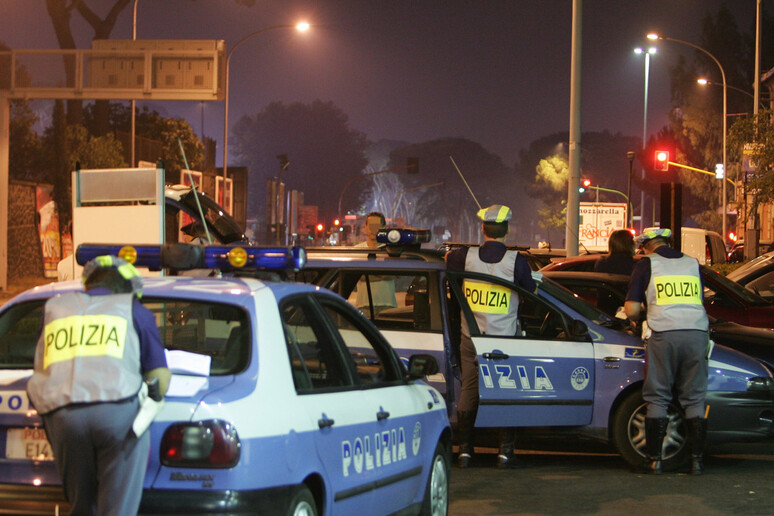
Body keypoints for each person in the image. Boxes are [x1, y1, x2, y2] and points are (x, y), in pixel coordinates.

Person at [27, 255, 171, 515]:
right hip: (117, 415)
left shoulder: (55, 309)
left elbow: (43, 362)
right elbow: (159, 378)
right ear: (128, 289)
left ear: (87, 285)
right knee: (117, 506)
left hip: (63, 415)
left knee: (81, 504)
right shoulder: (134, 310)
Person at [445, 204, 537, 469]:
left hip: (470, 337)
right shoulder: (516, 261)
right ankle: (504, 453)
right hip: (505, 342)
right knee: (504, 393)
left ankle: (464, 452)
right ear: (507, 230)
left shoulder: (463, 257)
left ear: (482, 229)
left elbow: (448, 261)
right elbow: (531, 293)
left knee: (469, 392)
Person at [624, 228, 710, 475]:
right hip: (696, 334)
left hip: (664, 335)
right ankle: (696, 462)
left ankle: (655, 460)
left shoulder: (647, 264)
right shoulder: (691, 263)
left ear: (646, 246)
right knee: (694, 398)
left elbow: (631, 311)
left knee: (658, 396)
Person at [354, 211, 397, 313]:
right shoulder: (357, 250)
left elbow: (393, 274)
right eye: (371, 225)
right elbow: (356, 275)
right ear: (366, 227)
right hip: (364, 305)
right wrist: (382, 273)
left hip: (388, 305)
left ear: (383, 227)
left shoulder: (391, 250)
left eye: (376, 226)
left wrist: (367, 272)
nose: (373, 229)